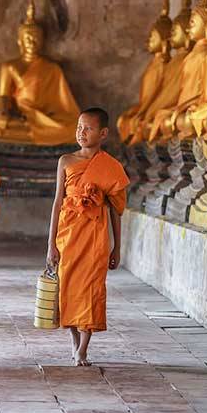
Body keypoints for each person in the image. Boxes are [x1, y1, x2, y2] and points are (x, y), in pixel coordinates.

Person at [46, 108, 130, 366]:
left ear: (103, 133)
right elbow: (58, 202)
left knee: (91, 290)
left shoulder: (111, 167)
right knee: (69, 288)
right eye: (79, 127)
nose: (81, 133)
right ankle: (74, 339)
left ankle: (83, 347)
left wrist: (117, 247)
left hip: (95, 237)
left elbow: (116, 211)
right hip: (67, 236)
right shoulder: (66, 161)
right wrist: (51, 244)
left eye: (88, 129)